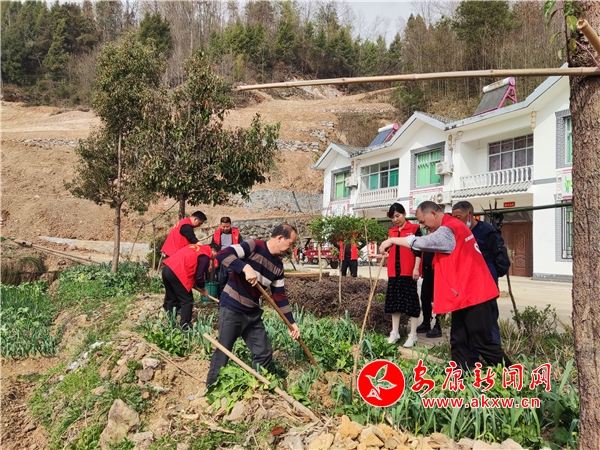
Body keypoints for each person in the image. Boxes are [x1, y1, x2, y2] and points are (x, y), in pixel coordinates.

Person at [380, 201, 512, 369]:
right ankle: (460, 373)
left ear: (433, 214)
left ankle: (513, 375)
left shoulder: (449, 229)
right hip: (464, 295)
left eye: (423, 221)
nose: (423, 226)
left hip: (476, 295)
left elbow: (422, 242)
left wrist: (391, 240)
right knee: (458, 339)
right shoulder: (452, 225)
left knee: (483, 343)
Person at [206, 224, 301, 387]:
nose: (290, 248)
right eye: (290, 243)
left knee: (264, 353)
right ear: (280, 238)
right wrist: (244, 267)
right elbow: (222, 254)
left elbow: (280, 297)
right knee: (223, 351)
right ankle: (211, 388)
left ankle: (254, 387)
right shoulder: (254, 246)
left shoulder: (278, 267)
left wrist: (291, 323)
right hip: (232, 307)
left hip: (252, 313)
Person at [452, 201, 511, 362]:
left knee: (488, 324)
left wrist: (492, 275)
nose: (456, 220)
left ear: (470, 214)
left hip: (486, 286)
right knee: (470, 324)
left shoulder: (486, 231)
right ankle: (472, 359)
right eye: (453, 217)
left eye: (459, 217)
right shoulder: (458, 233)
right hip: (466, 287)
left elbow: (501, 259)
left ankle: (496, 363)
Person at [384, 203, 422, 348]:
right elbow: (389, 249)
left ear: (404, 213)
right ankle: (395, 332)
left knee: (411, 303)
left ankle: (413, 335)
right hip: (394, 271)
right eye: (392, 217)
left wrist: (416, 268)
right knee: (394, 303)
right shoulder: (392, 231)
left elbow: (419, 250)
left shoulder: (414, 229)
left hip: (409, 271)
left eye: (397, 216)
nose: (395, 219)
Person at [162, 243, 217, 330]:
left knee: (171, 297)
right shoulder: (205, 256)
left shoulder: (195, 248)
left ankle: (170, 323)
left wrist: (195, 284)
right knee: (187, 300)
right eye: (216, 255)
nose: (215, 258)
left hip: (167, 268)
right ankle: (185, 326)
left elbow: (190, 266)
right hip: (177, 272)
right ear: (212, 250)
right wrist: (203, 288)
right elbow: (199, 277)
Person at [211, 217, 244, 294]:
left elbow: (241, 246)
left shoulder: (236, 234)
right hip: (221, 261)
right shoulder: (216, 234)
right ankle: (221, 299)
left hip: (232, 260)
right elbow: (212, 247)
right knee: (221, 282)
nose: (225, 228)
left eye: (227, 226)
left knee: (232, 281)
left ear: (230, 225)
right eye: (223, 226)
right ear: (220, 225)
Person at [416, 251, 443, 338]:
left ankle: (439, 325)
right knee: (425, 296)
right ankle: (426, 322)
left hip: (440, 266)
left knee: (440, 297)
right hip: (428, 267)